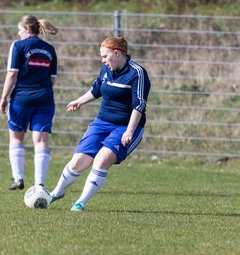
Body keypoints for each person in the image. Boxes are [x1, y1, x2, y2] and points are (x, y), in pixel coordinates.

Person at [50, 36, 151, 211]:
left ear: (117, 53)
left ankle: (80, 202)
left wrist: (129, 131)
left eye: (105, 56)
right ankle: (57, 192)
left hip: (126, 126)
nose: (102, 60)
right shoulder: (106, 70)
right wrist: (79, 101)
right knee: (78, 162)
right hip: (102, 122)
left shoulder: (137, 73)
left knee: (101, 160)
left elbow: (139, 104)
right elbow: (96, 90)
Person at [0, 15, 58, 190]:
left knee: (17, 138)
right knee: (41, 141)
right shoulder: (49, 48)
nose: (18, 33)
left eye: (19, 29)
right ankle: (39, 183)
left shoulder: (18, 46)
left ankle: (18, 179)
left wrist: (3, 98)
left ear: (27, 28)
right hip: (45, 99)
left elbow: (12, 74)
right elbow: (53, 78)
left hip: (22, 99)